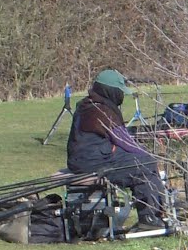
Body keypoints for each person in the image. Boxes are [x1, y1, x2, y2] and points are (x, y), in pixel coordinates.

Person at [66, 69, 167, 230]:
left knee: (144, 161)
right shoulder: (102, 110)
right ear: (110, 91)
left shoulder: (87, 105)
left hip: (83, 159)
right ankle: (149, 218)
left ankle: (157, 211)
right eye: (120, 91)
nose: (121, 96)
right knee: (145, 163)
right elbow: (124, 142)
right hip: (94, 162)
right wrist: (148, 155)